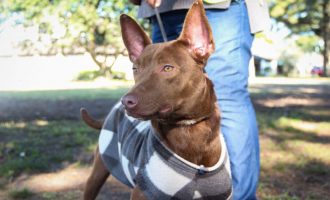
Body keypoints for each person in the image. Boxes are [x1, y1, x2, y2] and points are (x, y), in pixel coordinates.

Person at [129, 0, 271, 199]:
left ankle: (239, 196)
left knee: (226, 97)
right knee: (162, 101)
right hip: (164, 9)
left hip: (220, 6)